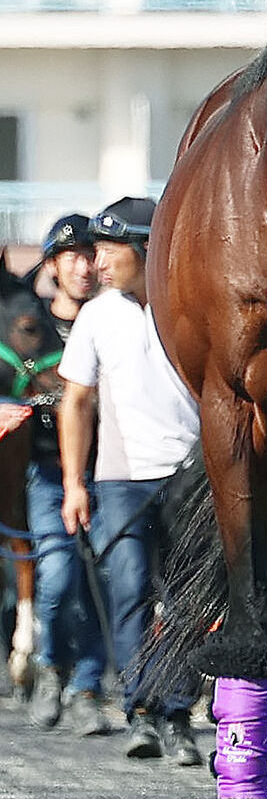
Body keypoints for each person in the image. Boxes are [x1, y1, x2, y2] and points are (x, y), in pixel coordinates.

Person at [58, 197, 203, 766]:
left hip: (190, 476)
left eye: (108, 248)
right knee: (129, 593)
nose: (96, 261)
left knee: (188, 601)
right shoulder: (97, 314)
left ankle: (179, 713)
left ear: (146, 249)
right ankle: (141, 710)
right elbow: (77, 402)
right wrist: (74, 483)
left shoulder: (186, 304)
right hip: (119, 480)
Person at [27, 215, 109, 735]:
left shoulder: (114, 317)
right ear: (53, 266)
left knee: (101, 581)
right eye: (73, 256)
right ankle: (50, 666)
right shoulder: (28, 323)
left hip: (107, 471)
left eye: (90, 254)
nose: (85, 265)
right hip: (47, 473)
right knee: (56, 578)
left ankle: (87, 686)